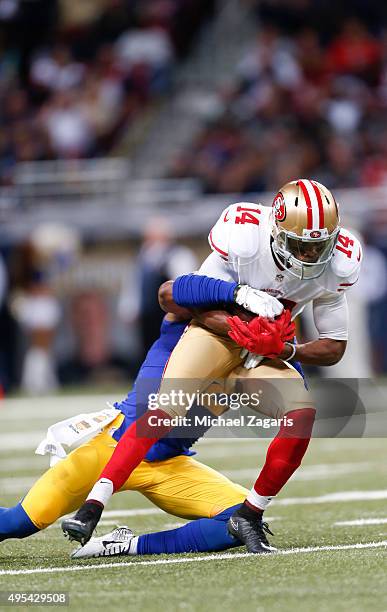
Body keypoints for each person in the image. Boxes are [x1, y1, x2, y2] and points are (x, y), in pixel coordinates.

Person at [63, 179, 362, 554]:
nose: (310, 255)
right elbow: (192, 303)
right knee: (163, 408)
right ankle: (94, 505)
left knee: (301, 415)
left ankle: (250, 514)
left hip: (262, 353)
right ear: (276, 231)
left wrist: (285, 350)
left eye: (319, 245)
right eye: (301, 245)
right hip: (215, 334)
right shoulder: (244, 234)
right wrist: (242, 320)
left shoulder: (340, 260)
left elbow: (334, 346)